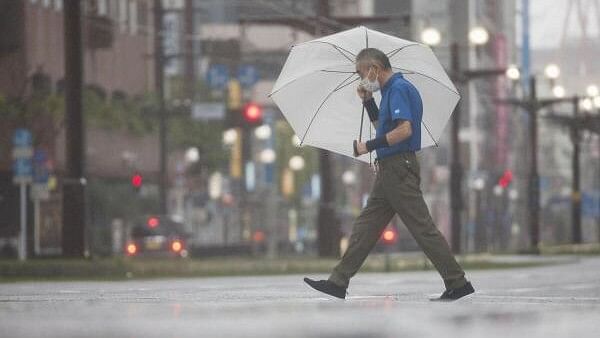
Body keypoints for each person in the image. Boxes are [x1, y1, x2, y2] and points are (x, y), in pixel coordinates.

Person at [304, 48, 474, 301]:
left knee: (421, 227)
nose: (362, 79)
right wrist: (368, 102)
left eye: (361, 73)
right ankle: (338, 282)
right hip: (391, 167)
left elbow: (404, 130)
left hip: (398, 167)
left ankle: (457, 282)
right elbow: (384, 128)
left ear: (374, 68)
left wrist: (367, 147)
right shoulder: (388, 93)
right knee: (366, 226)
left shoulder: (398, 89)